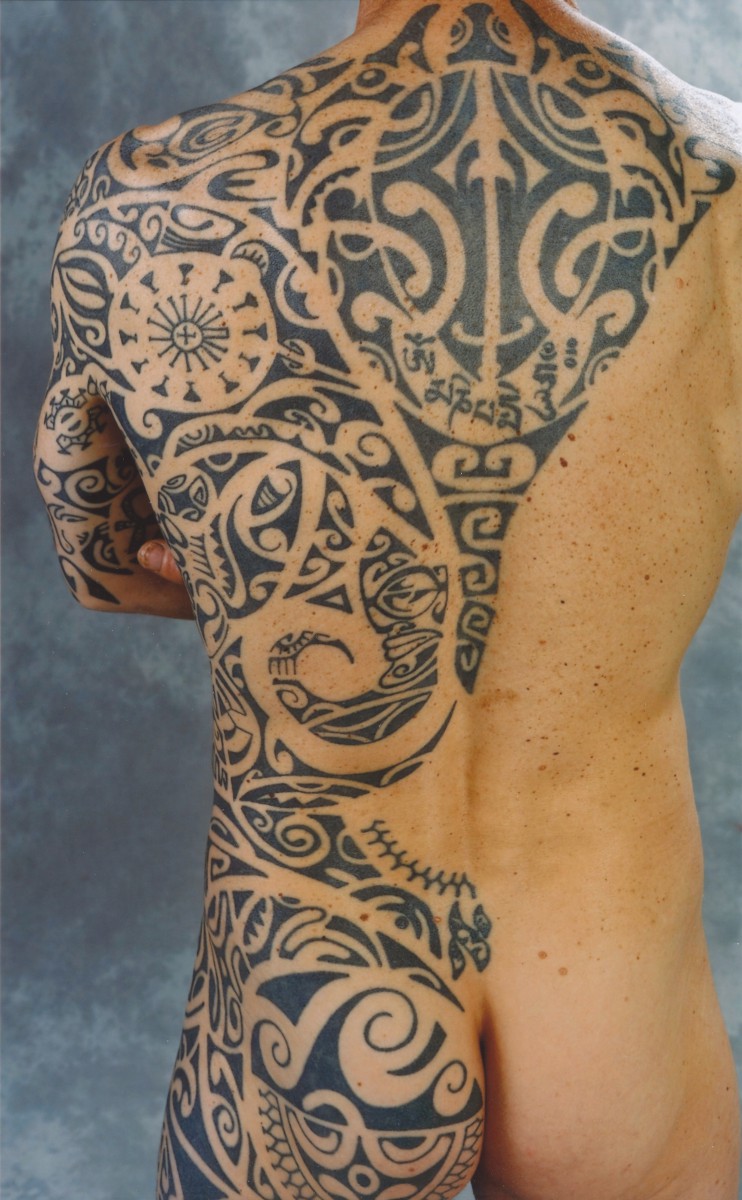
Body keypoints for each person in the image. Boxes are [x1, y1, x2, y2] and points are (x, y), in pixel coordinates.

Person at [34, 0, 741, 1196]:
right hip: (615, 989)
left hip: (315, 979)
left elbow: (102, 563)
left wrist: (268, 561)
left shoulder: (150, 189)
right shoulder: (726, 176)